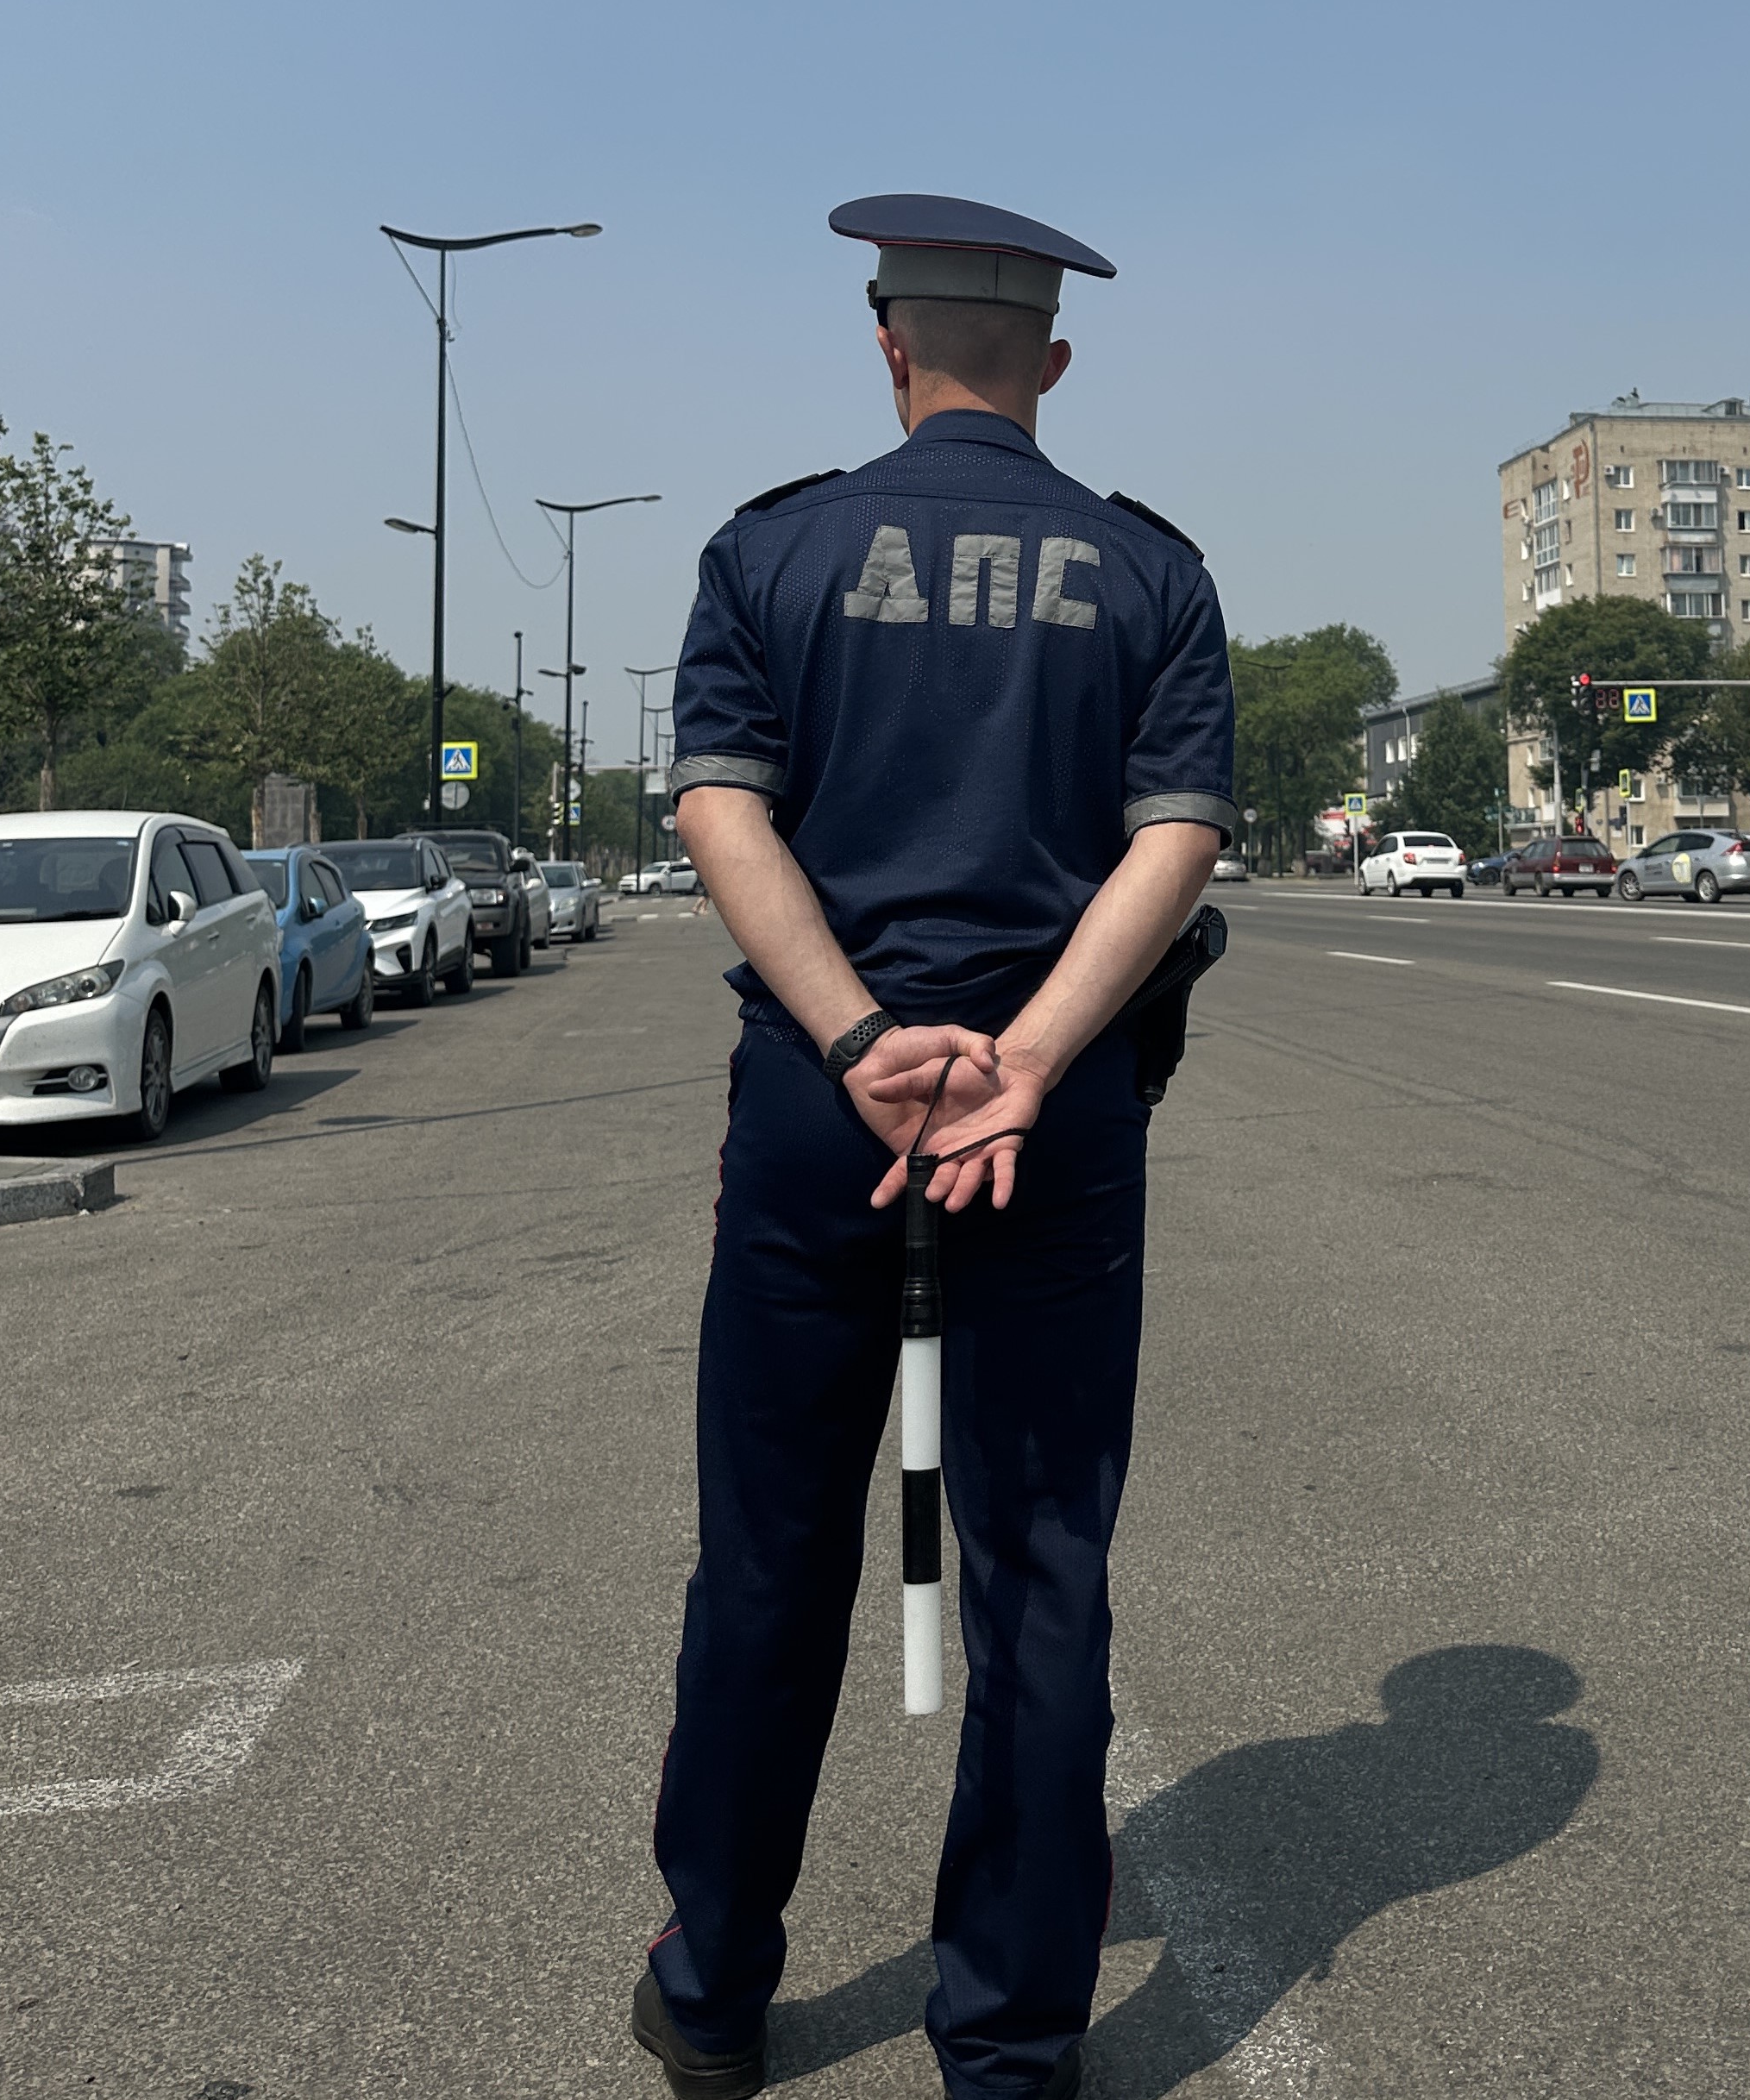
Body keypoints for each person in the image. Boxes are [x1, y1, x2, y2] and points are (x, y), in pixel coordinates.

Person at [633, 195, 1233, 2100]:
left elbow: (722, 803)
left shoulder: (775, 548)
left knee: (771, 1557)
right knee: (1041, 1565)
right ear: (1053, 363)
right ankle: (1013, 2043)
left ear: (886, 349)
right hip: (1048, 1136)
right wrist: (1032, 1055)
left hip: (831, 1115)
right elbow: (1177, 835)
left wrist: (867, 1037)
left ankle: (717, 1986)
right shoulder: (1148, 572)